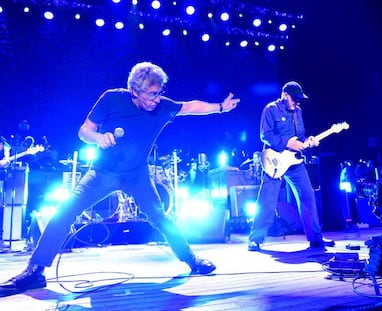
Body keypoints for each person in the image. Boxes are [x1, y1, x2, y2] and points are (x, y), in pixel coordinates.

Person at [0, 61, 240, 295]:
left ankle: (191, 260)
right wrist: (98, 138)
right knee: (65, 211)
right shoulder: (112, 99)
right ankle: (35, 271)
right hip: (103, 173)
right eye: (152, 94)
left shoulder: (162, 107)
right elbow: (84, 130)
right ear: (134, 91)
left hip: (137, 175)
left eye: (159, 93)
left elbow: (190, 106)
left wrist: (221, 107)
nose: (157, 99)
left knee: (161, 217)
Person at [248, 81, 334, 251]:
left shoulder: (298, 111)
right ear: (285, 95)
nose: (297, 102)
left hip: (294, 162)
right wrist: (287, 143)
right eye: (294, 99)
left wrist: (308, 141)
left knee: (308, 196)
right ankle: (255, 239)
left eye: (299, 99)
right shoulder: (270, 109)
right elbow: (265, 136)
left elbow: (300, 137)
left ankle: (316, 238)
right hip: (275, 161)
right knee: (267, 200)